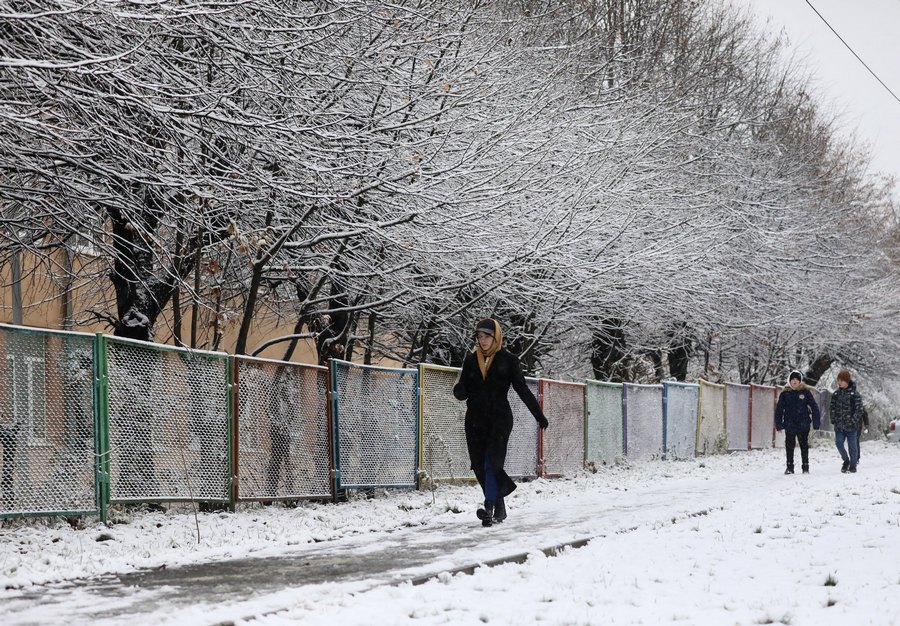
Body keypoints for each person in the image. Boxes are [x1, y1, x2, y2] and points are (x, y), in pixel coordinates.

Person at [453, 318, 549, 527]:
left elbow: (522, 389)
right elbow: (463, 385)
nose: (483, 340)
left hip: (499, 419)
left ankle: (489, 507)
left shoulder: (508, 360)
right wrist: (459, 391)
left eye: (487, 336)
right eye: (479, 336)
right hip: (475, 420)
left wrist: (538, 415)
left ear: (496, 336)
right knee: (478, 465)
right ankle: (500, 505)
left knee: (491, 464)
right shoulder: (471, 360)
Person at [775, 370, 821, 474]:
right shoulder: (785, 394)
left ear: (800, 381)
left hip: (803, 424)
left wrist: (816, 422)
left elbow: (814, 407)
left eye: (797, 380)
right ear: (789, 381)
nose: (795, 382)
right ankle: (790, 467)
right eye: (793, 380)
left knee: (804, 445)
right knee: (789, 446)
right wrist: (779, 423)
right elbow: (779, 409)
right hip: (790, 424)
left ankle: (805, 466)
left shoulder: (805, 392)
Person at [829, 369, 863, 473]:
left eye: (842, 380)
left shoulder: (855, 394)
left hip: (851, 427)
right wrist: (833, 419)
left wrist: (853, 421)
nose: (839, 382)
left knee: (852, 446)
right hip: (839, 426)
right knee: (839, 444)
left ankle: (853, 465)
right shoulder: (836, 394)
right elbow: (832, 408)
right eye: (838, 380)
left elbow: (859, 409)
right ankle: (846, 460)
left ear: (847, 381)